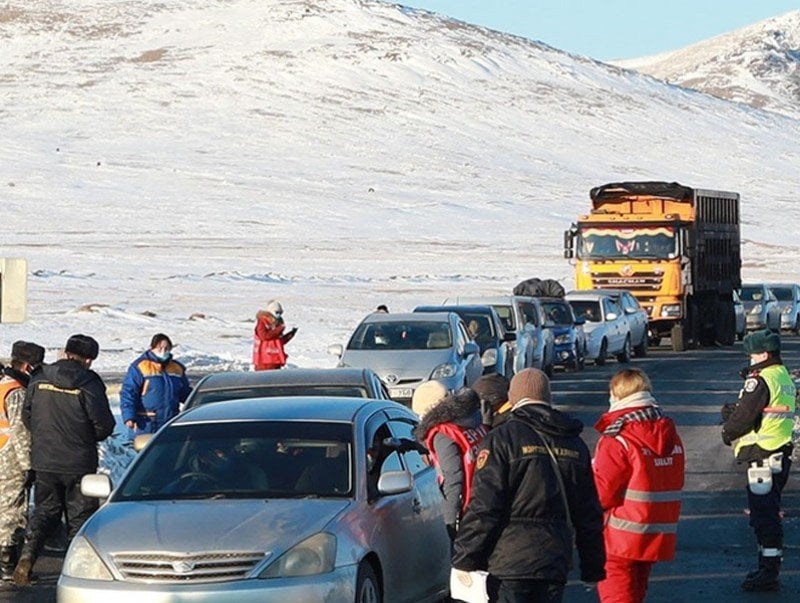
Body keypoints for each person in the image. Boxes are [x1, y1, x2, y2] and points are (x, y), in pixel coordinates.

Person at [453, 368, 605, 602]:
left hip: (509, 560)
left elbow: (485, 506)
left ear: (513, 398)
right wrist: (593, 566)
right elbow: (588, 512)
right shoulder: (574, 444)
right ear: (548, 397)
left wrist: (465, 558)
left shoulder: (502, 439)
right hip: (554, 560)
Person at [13, 334, 115, 587]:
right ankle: (77, 571)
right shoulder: (89, 382)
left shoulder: (40, 378)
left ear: (66, 352)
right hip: (79, 462)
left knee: (45, 511)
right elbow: (103, 425)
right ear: (89, 359)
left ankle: (26, 560)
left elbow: (27, 416)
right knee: (80, 517)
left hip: (44, 459)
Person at [593, 368, 685, 603]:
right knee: (636, 591)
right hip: (657, 529)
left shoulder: (618, 437)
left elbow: (602, 492)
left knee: (618, 592)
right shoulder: (669, 434)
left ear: (617, 395)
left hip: (620, 534)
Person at [721, 329, 795, 592]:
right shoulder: (782, 376)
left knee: (765, 515)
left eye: (752, 354)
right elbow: (762, 409)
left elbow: (746, 417)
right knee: (767, 512)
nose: (750, 359)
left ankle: (769, 571)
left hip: (763, 454)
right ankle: (767, 566)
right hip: (778, 451)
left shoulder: (761, 378)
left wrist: (727, 430)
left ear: (764, 354)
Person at [414, 388, 489, 548]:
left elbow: (453, 477)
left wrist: (450, 521)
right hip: (487, 500)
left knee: (463, 566)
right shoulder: (473, 422)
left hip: (468, 511)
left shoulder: (444, 434)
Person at [0, 341, 45, 581]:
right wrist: (29, 465)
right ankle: (7, 565)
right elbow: (20, 432)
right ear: (27, 366)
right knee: (11, 511)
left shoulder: (2, 385)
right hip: (10, 460)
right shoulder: (16, 391)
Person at [121, 334, 192, 434]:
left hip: (171, 421)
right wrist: (129, 416)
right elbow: (129, 392)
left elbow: (185, 393)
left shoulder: (177, 368)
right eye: (160, 348)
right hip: (146, 422)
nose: (163, 352)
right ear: (151, 348)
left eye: (166, 349)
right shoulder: (140, 366)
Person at [252, 300, 297, 370]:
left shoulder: (277, 324)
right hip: (264, 361)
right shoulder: (262, 322)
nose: (279, 314)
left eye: (280, 313)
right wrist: (279, 329)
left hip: (275, 360)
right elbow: (264, 336)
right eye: (277, 312)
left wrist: (291, 333)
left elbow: (279, 341)